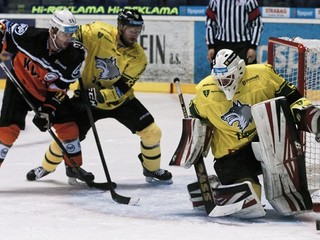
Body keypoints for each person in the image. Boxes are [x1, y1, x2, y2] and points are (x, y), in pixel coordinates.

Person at [27, 8, 173, 184]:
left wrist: (99, 96)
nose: (135, 35)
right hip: (85, 99)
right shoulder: (98, 32)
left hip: (120, 102)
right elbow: (71, 35)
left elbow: (121, 88)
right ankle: (46, 167)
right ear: (120, 27)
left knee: (152, 132)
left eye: (138, 30)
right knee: (69, 134)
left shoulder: (138, 57)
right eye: (131, 30)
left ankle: (151, 169)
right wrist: (73, 51)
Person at [186, 49, 320, 216]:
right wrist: (194, 138)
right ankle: (214, 188)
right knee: (250, 198)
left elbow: (294, 100)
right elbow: (195, 119)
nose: (223, 84)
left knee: (282, 131)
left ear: (240, 69)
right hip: (230, 155)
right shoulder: (205, 91)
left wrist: (312, 119)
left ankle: (288, 192)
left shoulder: (263, 74)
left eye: (227, 78)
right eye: (219, 80)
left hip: (265, 144)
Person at [0, 9, 94, 183]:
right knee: (7, 132)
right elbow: (3, 26)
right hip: (19, 83)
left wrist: (48, 110)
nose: (69, 38)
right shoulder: (31, 37)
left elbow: (61, 87)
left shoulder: (74, 55)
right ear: (52, 31)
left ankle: (74, 168)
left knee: (69, 126)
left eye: (71, 33)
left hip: (45, 93)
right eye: (65, 34)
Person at [205, 0, 263, 67]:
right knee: (219, 74)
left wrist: (252, 47)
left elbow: (257, 24)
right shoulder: (215, 1)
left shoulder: (249, 1)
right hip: (221, 46)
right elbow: (210, 24)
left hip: (243, 47)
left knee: (247, 75)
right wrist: (211, 46)